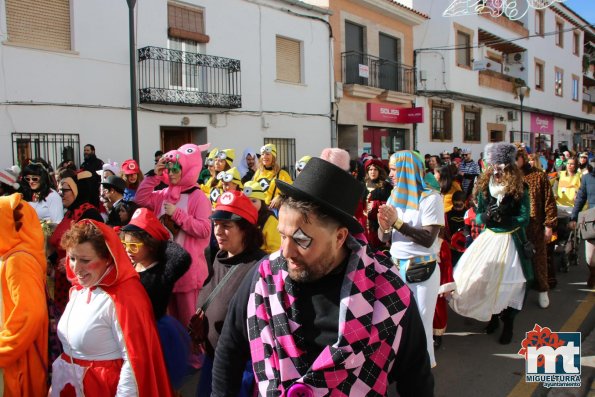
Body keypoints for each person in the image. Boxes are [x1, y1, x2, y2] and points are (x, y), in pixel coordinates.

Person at [212, 157, 434, 397]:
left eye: (301, 240)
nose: (286, 252)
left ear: (339, 238)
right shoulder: (265, 277)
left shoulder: (388, 293)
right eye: (283, 236)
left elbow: (416, 377)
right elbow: (230, 350)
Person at [51, 220, 174, 396]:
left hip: (102, 389)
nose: (76, 268)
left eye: (85, 260)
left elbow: (134, 362)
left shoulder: (125, 296)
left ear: (108, 258)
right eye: (72, 258)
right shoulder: (79, 290)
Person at [134, 143, 212, 360]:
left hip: (188, 271)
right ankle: (175, 358)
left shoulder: (198, 197)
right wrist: (153, 176)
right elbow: (140, 201)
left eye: (177, 169)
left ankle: (196, 361)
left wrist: (178, 215)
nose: (172, 173)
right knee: (168, 321)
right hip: (163, 270)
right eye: (169, 169)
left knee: (189, 320)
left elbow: (205, 230)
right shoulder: (162, 194)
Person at [450, 143, 532, 345]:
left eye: (501, 163)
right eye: (494, 163)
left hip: (511, 239)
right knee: (484, 280)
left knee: (509, 286)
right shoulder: (486, 186)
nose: (497, 168)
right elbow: (477, 216)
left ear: (509, 165)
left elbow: (525, 217)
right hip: (489, 238)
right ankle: (493, 317)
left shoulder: (520, 187)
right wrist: (485, 217)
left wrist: (507, 219)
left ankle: (509, 324)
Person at [377, 150, 443, 368]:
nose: (391, 174)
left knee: (422, 322)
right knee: (397, 321)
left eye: (395, 169)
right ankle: (402, 366)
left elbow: (427, 238)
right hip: (396, 269)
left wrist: (396, 223)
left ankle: (423, 369)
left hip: (422, 270)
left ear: (407, 170)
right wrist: (384, 227)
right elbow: (385, 239)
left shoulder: (431, 198)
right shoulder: (393, 196)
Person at [196, 191, 266, 396]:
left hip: (242, 371)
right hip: (212, 362)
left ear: (246, 230)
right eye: (216, 224)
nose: (218, 231)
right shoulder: (216, 256)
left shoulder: (261, 267)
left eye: (226, 226)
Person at [121, 208, 192, 391]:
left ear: (150, 244)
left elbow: (182, 257)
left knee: (157, 384)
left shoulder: (162, 272)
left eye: (134, 246)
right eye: (125, 245)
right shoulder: (130, 265)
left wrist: (159, 237)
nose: (128, 250)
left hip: (154, 336)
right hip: (131, 334)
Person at [0, 194, 49, 396]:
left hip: (17, 362)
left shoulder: (18, 260)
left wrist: (3, 350)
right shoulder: (16, 255)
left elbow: (30, 316)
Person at [49, 170, 103, 317]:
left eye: (65, 190)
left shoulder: (89, 213)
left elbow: (94, 247)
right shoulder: (70, 212)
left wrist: (67, 260)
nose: (61, 194)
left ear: (75, 191)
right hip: (63, 278)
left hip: (80, 275)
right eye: (60, 190)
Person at [516, 144, 557, 308]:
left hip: (536, 227)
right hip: (517, 227)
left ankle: (542, 290)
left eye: (516, 158)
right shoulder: (510, 177)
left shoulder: (538, 176)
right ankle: (519, 292)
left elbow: (549, 201)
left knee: (538, 259)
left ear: (523, 158)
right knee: (517, 261)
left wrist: (549, 225)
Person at [569, 158, 595, 289]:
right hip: (592, 221)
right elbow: (580, 198)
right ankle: (593, 272)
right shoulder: (587, 178)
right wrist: (573, 217)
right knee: (590, 257)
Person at [361, 157, 392, 250]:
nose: (372, 172)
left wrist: (377, 204)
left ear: (379, 171)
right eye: (370, 169)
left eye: (375, 169)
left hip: (378, 222)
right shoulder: (362, 185)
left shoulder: (386, 187)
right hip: (364, 222)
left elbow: (391, 204)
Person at [243, 180, 280, 254]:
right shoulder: (241, 218)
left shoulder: (270, 220)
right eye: (246, 201)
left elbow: (276, 249)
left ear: (261, 201)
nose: (250, 204)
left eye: (254, 201)